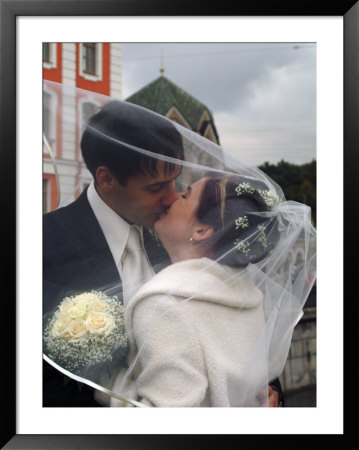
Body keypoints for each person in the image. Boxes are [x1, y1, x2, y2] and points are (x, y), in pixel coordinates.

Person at [43, 96, 283, 407]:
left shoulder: (186, 237)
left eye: (175, 183)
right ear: (106, 179)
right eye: (156, 188)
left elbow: (238, 326)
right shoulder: (41, 246)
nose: (171, 198)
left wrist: (269, 393)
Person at [111, 174, 282, 407]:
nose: (173, 198)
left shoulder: (166, 304)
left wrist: (111, 384)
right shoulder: (248, 296)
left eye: (185, 195)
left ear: (202, 230)